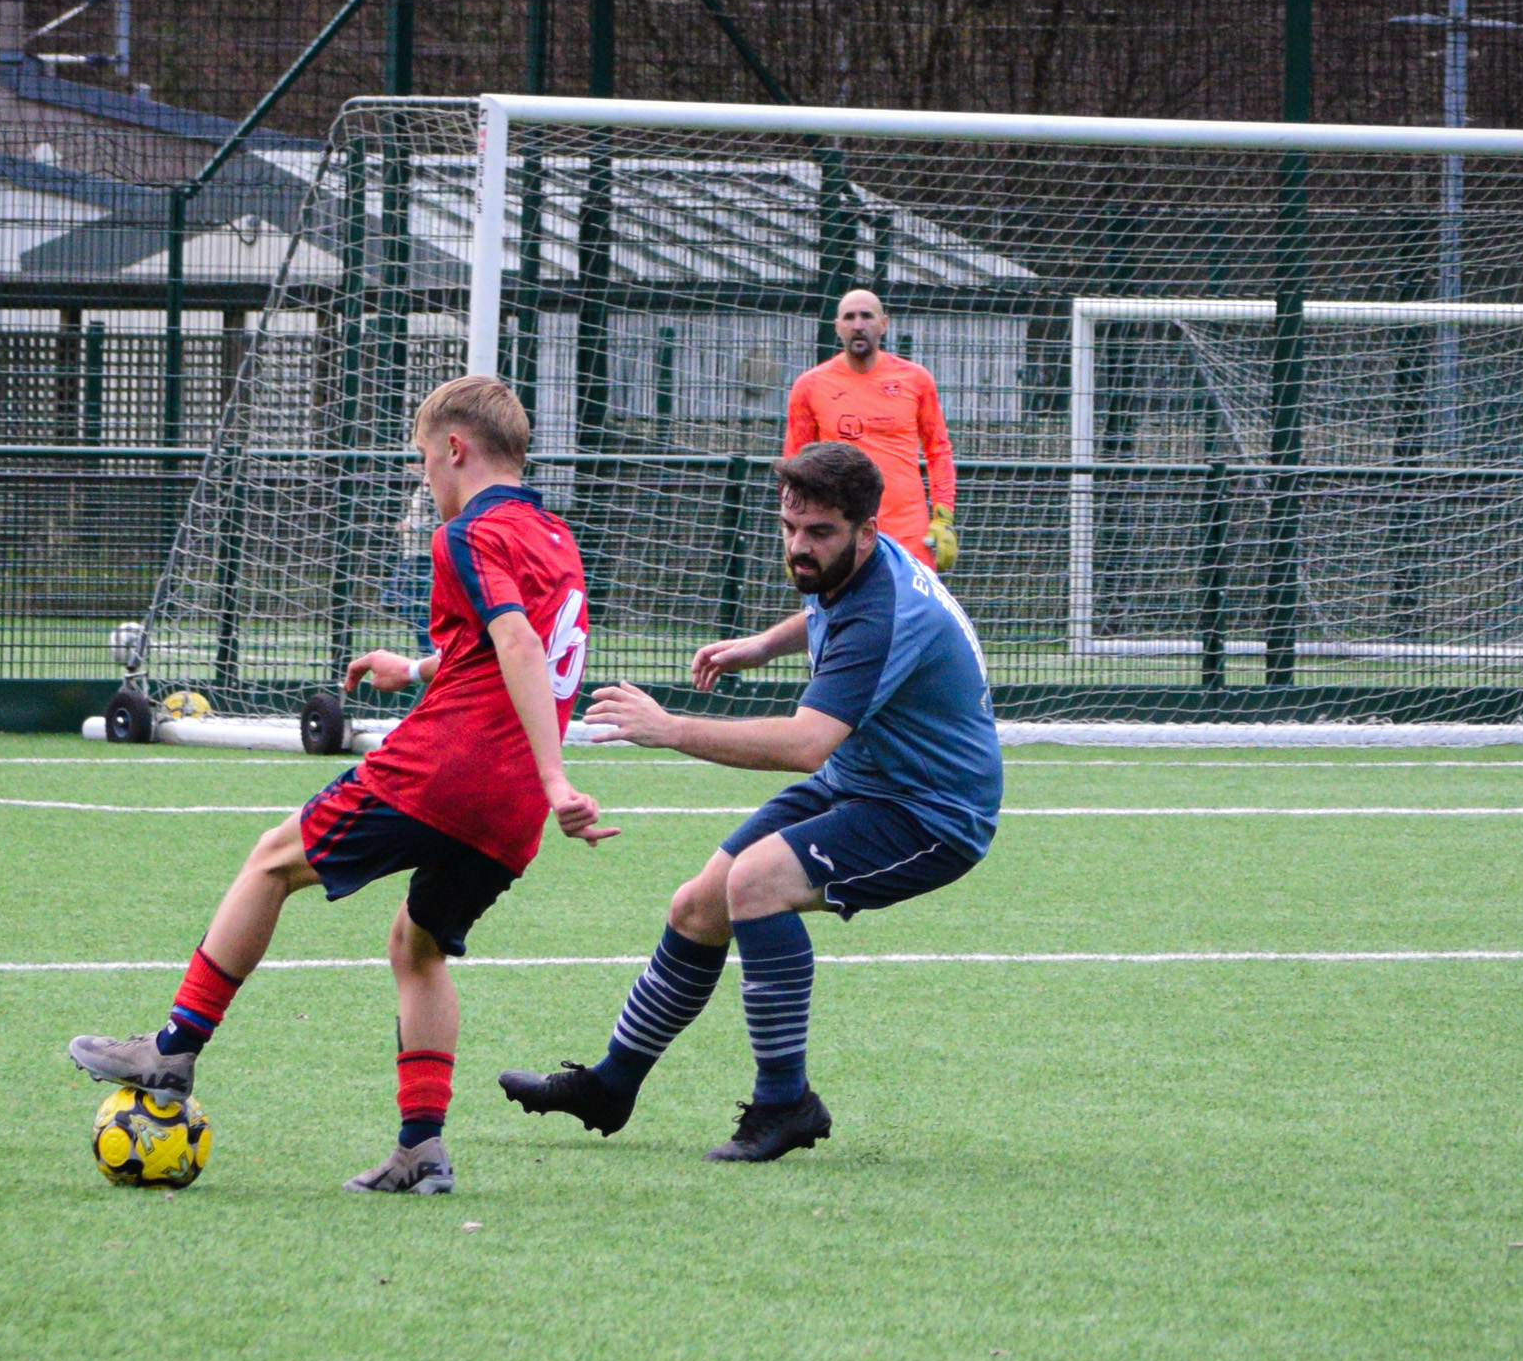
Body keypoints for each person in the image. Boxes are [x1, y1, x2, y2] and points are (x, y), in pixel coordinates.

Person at [71, 376, 612, 1196]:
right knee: (417, 945)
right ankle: (421, 1150)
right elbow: (514, 639)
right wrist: (421, 668)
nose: (424, 479)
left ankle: (172, 1048)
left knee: (271, 860)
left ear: (456, 451)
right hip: (511, 809)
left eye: (425, 462)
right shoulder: (555, 535)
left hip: (448, 767)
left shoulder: (466, 533)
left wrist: (559, 771)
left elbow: (520, 649)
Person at [499, 441, 1001, 1161]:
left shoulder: (885, 611)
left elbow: (803, 745)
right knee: (697, 905)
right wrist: (762, 646)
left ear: (866, 530)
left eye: (819, 533)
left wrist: (670, 729)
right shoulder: (855, 562)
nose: (799, 547)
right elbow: (822, 610)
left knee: (755, 884)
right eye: (789, 527)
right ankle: (612, 1085)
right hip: (864, 781)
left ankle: (784, 1103)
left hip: (934, 813)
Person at [784, 288, 960, 571]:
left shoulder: (916, 379)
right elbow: (795, 464)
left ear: (883, 324)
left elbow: (938, 450)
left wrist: (944, 518)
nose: (858, 325)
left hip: (907, 535)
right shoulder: (809, 386)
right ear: (837, 326)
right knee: (839, 614)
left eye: (866, 316)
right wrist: (792, 534)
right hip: (841, 533)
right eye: (849, 317)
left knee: (909, 615)